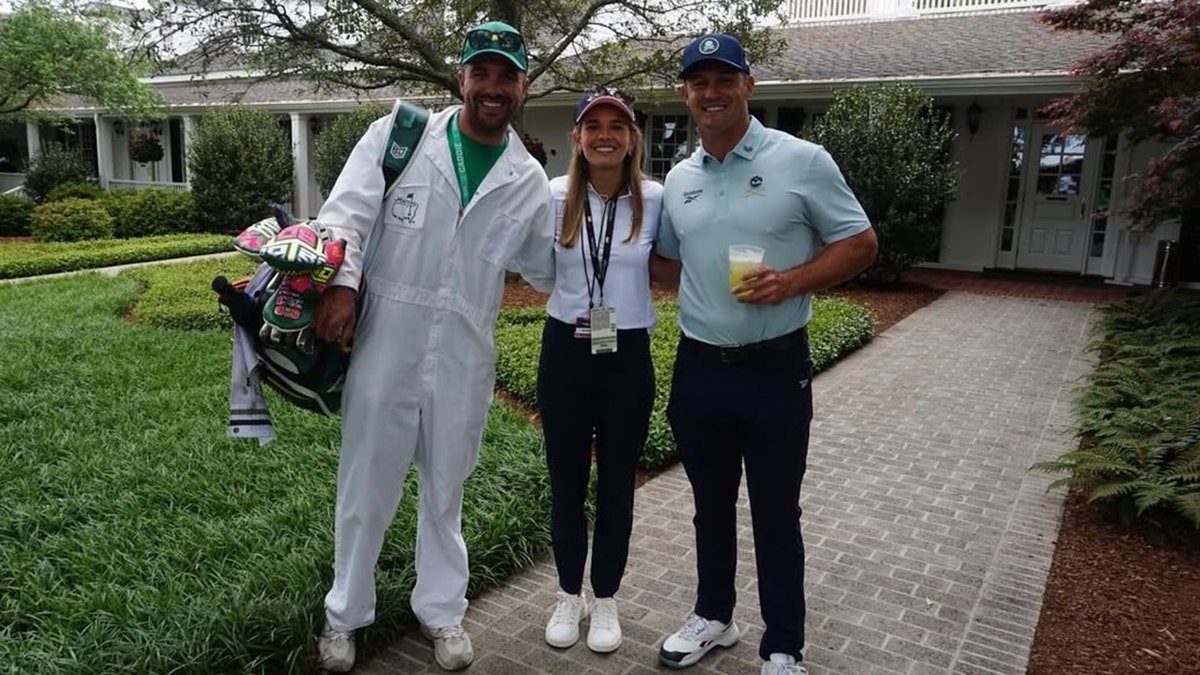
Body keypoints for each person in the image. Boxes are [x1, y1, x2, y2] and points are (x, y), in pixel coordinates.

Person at [310, 20, 556, 673]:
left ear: (523, 86)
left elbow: (549, 265)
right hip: (387, 334)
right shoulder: (401, 134)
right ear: (462, 78)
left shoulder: (527, 179)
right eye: (483, 72)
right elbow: (345, 214)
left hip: (464, 350)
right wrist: (339, 283)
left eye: (507, 75)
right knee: (366, 485)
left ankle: (442, 612)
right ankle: (344, 617)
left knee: (447, 488)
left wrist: (610, 256)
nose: (493, 86)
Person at [651, 34, 878, 675]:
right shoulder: (680, 179)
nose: (712, 93)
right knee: (709, 507)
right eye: (700, 82)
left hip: (776, 367)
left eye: (725, 79)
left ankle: (783, 645)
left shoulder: (802, 160)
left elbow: (860, 244)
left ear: (749, 86)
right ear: (685, 94)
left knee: (776, 512)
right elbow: (669, 264)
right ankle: (714, 617)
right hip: (699, 369)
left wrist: (791, 281)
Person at [537, 86, 662, 654]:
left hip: (627, 351)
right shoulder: (552, 195)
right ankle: (568, 593)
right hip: (565, 348)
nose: (605, 134)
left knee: (616, 484)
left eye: (617, 125)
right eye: (594, 125)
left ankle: (606, 597)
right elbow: (532, 268)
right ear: (578, 138)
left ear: (633, 137)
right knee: (565, 480)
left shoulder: (656, 199)